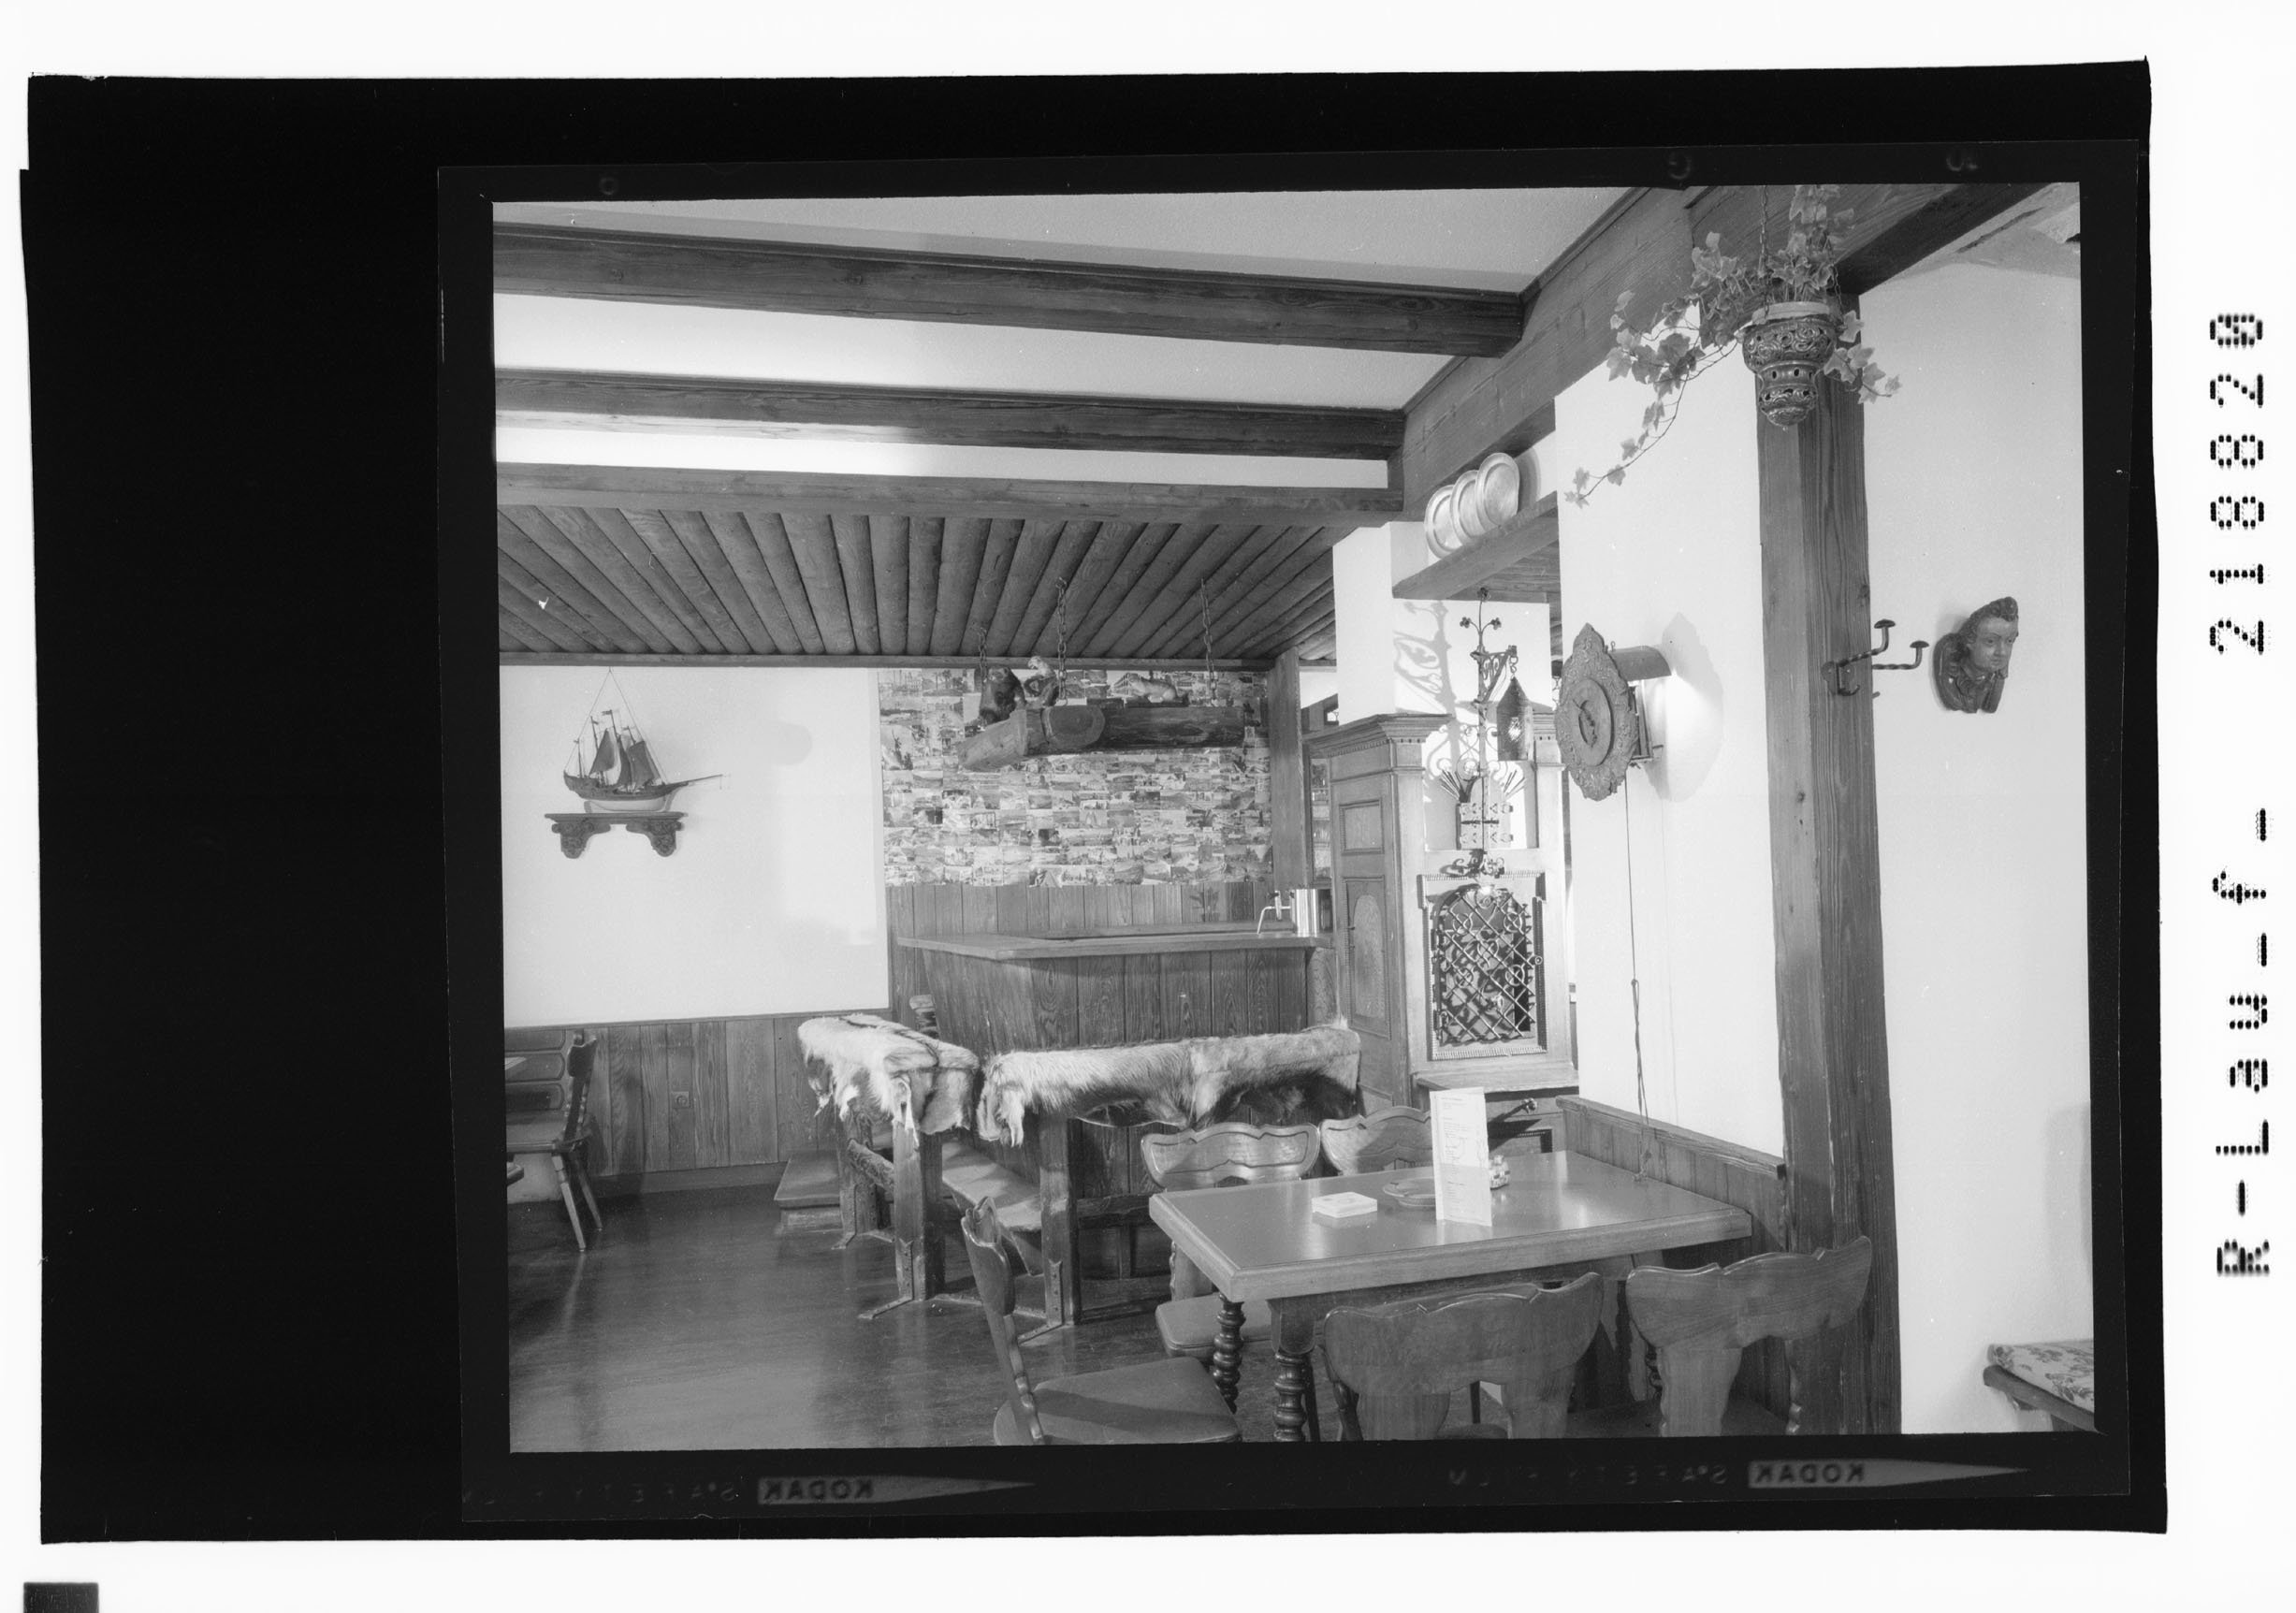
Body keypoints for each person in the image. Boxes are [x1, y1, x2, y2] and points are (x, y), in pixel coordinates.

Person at [1932, 596, 2020, 713]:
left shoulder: (1992, 677)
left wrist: (2001, 675)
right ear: (1969, 641)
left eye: (2009, 641)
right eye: (1990, 641)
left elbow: (1991, 706)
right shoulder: (1951, 660)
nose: (2002, 652)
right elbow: (1954, 701)